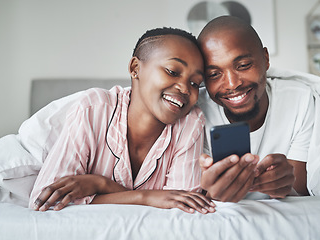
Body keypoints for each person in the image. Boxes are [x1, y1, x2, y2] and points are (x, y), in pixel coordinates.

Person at [29, 27, 215, 214]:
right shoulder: (93, 109)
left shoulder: (190, 122)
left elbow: (181, 209)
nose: (184, 88)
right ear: (135, 69)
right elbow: (45, 201)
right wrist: (148, 198)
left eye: (194, 83)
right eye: (172, 71)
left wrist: (100, 185)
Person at [196, 16, 312, 202]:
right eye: (214, 74)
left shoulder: (299, 99)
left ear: (265, 59)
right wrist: (212, 194)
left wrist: (285, 186)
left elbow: (299, 195)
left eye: (243, 66)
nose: (232, 84)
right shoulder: (196, 113)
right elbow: (195, 201)